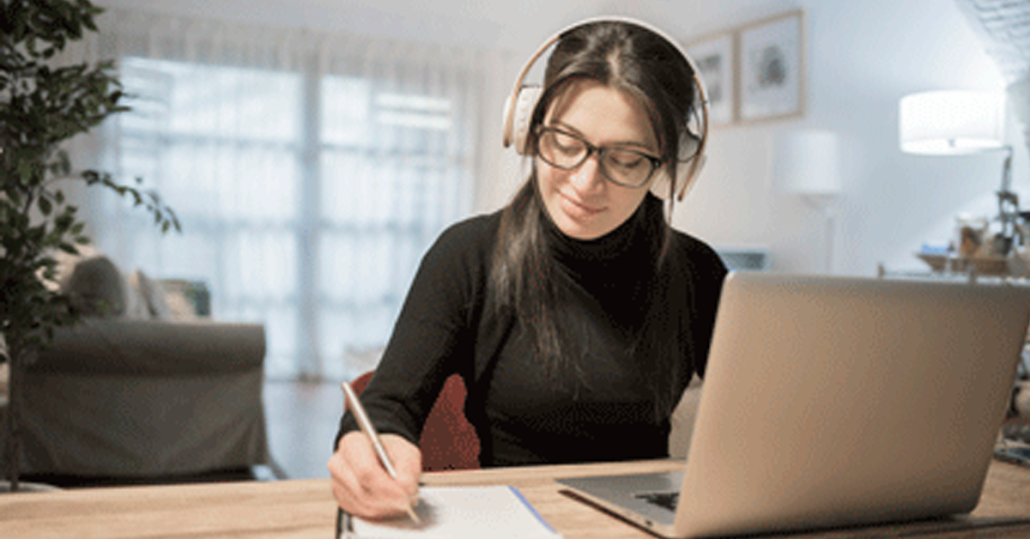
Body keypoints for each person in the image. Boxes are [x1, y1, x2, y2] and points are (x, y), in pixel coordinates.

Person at [328, 17, 727, 519]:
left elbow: (762, 419)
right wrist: (369, 448)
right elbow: (387, 408)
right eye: (564, 141)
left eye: (625, 159)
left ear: (670, 167)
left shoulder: (697, 272)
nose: (584, 182)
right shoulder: (468, 255)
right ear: (526, 128)